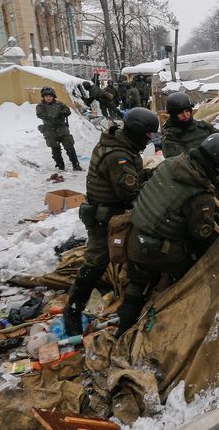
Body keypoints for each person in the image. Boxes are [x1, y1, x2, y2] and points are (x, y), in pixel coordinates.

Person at [116, 133, 219, 336]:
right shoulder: (199, 194)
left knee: (136, 284)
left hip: (134, 238)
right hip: (157, 252)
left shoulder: (171, 164)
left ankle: (123, 328)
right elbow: (202, 238)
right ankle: (177, 321)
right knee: (196, 275)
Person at [64, 107, 160, 336]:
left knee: (124, 257)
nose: (148, 140)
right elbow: (128, 192)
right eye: (147, 135)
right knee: (97, 262)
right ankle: (73, 310)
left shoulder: (120, 143)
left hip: (112, 213)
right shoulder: (118, 155)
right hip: (105, 217)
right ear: (137, 132)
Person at [36, 86, 82, 171]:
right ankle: (60, 166)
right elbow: (40, 114)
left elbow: (68, 110)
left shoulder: (59, 104)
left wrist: (64, 112)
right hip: (50, 131)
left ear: (53, 96)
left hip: (62, 130)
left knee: (70, 147)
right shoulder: (40, 106)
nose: (48, 98)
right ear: (43, 97)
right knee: (55, 149)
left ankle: (75, 165)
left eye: (50, 96)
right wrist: (54, 117)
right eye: (46, 96)